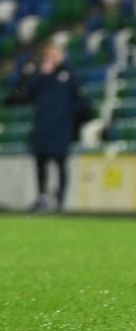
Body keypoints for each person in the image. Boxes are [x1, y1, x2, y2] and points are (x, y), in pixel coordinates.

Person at [11, 42, 90, 211]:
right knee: (40, 164)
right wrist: (40, 74)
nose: (51, 58)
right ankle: (42, 197)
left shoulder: (71, 76)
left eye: (55, 54)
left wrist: (68, 117)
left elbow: (83, 104)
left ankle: (60, 201)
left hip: (61, 129)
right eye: (48, 55)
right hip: (42, 128)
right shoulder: (41, 77)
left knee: (61, 164)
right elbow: (23, 93)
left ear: (62, 55)